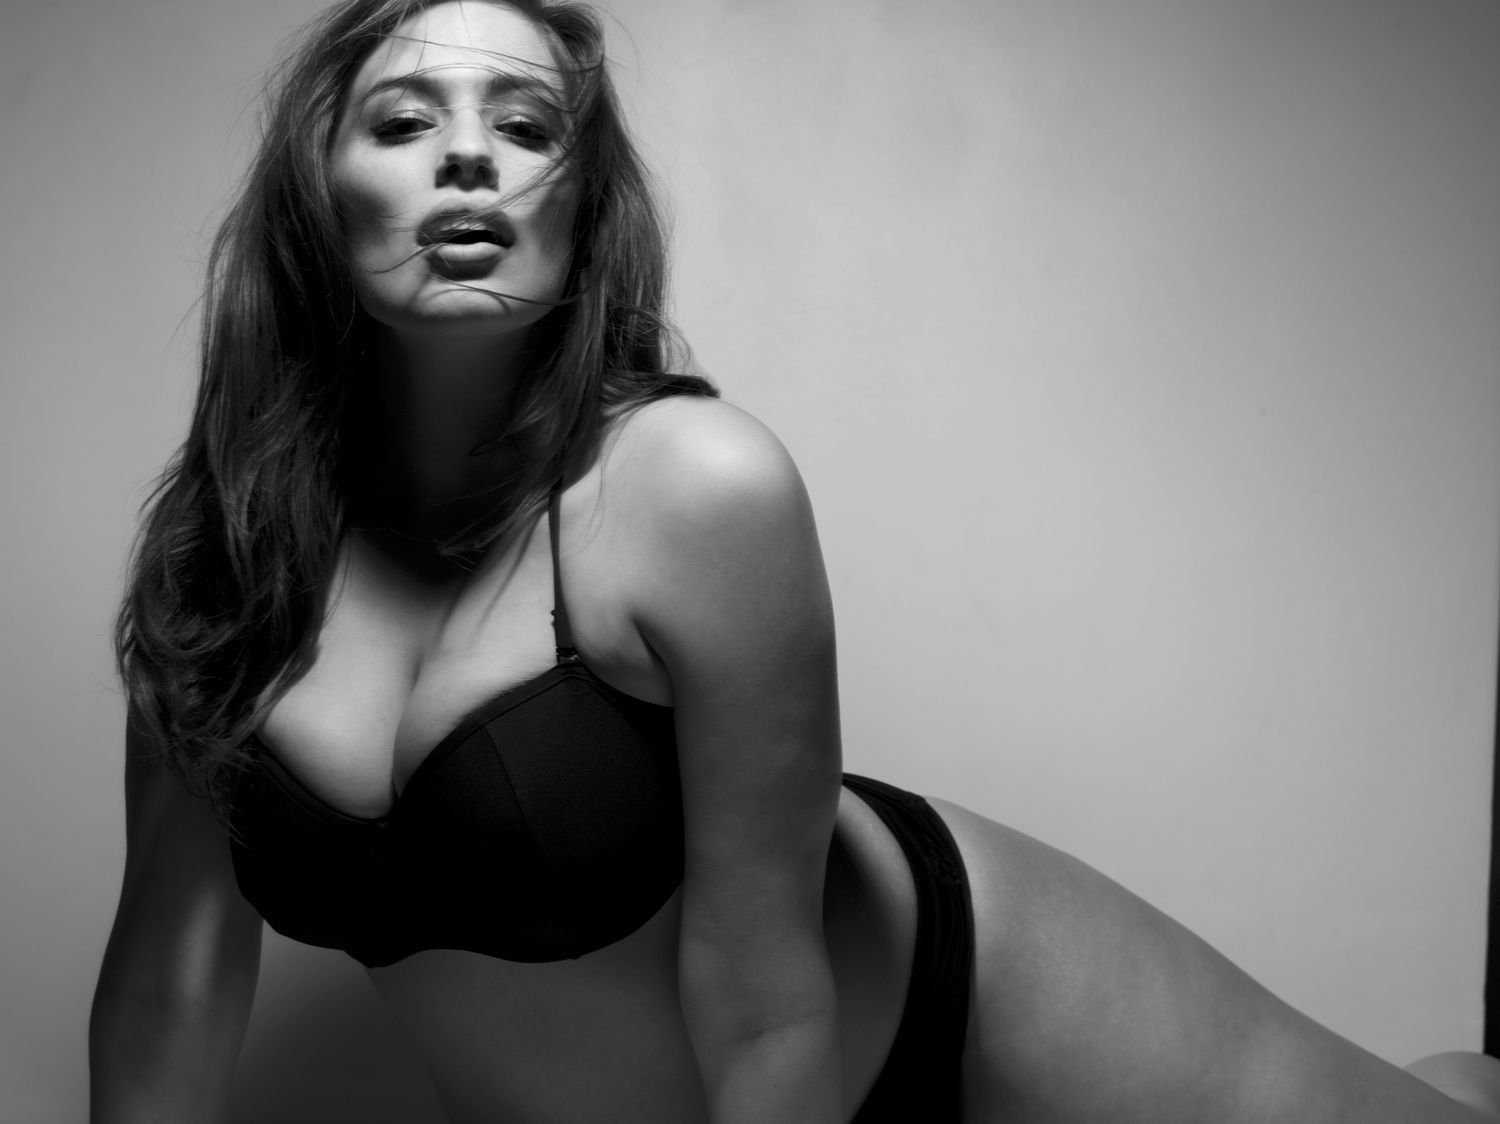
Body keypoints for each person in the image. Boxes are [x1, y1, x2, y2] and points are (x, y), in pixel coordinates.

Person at [87, 1, 1500, 1120]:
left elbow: (767, 999)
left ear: (584, 214)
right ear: (316, 192)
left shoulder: (696, 488)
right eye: (403, 121)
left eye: (526, 126)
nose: (470, 157)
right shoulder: (228, 562)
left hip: (946, 1014)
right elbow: (168, 991)